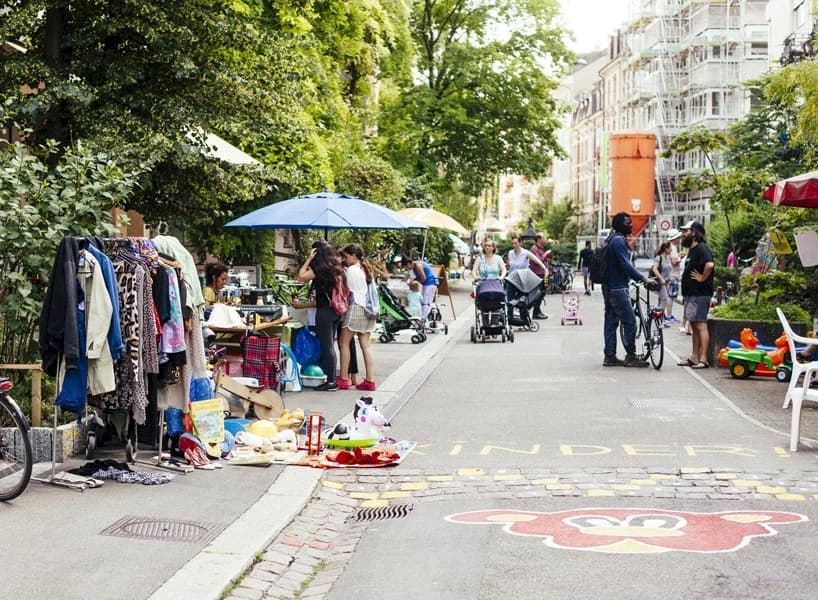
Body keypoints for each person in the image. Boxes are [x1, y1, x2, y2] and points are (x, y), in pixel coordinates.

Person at [601, 212, 653, 368]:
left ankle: (609, 356)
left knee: (611, 322)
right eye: (627, 222)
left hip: (609, 287)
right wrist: (643, 278)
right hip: (618, 288)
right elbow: (625, 265)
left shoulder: (610, 238)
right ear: (619, 225)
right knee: (630, 322)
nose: (631, 224)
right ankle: (631, 356)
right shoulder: (618, 241)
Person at [296, 240, 344, 391]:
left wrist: (309, 259)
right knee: (330, 344)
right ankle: (331, 379)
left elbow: (300, 277)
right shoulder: (336, 268)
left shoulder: (320, 269)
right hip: (336, 311)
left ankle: (330, 381)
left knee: (327, 346)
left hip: (325, 311)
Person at [336, 244, 378, 391]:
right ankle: (370, 380)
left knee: (344, 342)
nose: (345, 260)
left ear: (353, 256)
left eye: (346, 257)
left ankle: (343, 378)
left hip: (355, 308)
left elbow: (347, 291)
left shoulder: (352, 270)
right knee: (365, 345)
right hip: (368, 309)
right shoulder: (365, 269)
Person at [677, 220, 714, 369]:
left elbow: (710, 265)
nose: (683, 234)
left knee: (700, 325)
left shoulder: (702, 249)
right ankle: (694, 356)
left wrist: (702, 278)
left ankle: (703, 359)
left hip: (699, 294)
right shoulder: (693, 250)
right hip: (691, 294)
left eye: (686, 231)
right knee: (694, 324)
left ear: (694, 233)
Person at [506, 236, 547, 320]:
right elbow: (509, 265)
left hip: (522, 280)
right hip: (512, 279)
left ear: (520, 243)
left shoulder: (525, 253)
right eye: (512, 243)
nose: (514, 245)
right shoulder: (510, 253)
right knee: (510, 299)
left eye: (515, 243)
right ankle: (509, 318)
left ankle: (524, 319)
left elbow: (537, 260)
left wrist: (544, 268)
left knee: (522, 300)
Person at [400, 256, 438, 324]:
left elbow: (423, 278)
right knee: (423, 301)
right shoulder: (414, 267)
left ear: (409, 264)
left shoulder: (418, 265)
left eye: (406, 267)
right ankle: (422, 319)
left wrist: (414, 282)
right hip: (425, 284)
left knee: (425, 302)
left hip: (430, 283)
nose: (406, 269)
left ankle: (423, 320)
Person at [651, 241, 673, 327]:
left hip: (666, 282)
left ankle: (660, 319)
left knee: (661, 301)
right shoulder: (658, 258)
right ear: (665, 249)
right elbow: (654, 269)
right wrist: (661, 279)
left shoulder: (667, 258)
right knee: (664, 300)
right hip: (661, 283)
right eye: (670, 248)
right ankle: (659, 320)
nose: (671, 249)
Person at [528, 233, 549, 319]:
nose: (545, 240)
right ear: (539, 239)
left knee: (543, 292)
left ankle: (538, 310)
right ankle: (535, 312)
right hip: (537, 274)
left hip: (544, 274)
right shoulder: (534, 249)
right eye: (544, 238)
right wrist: (545, 255)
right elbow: (538, 260)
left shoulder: (541, 248)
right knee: (539, 293)